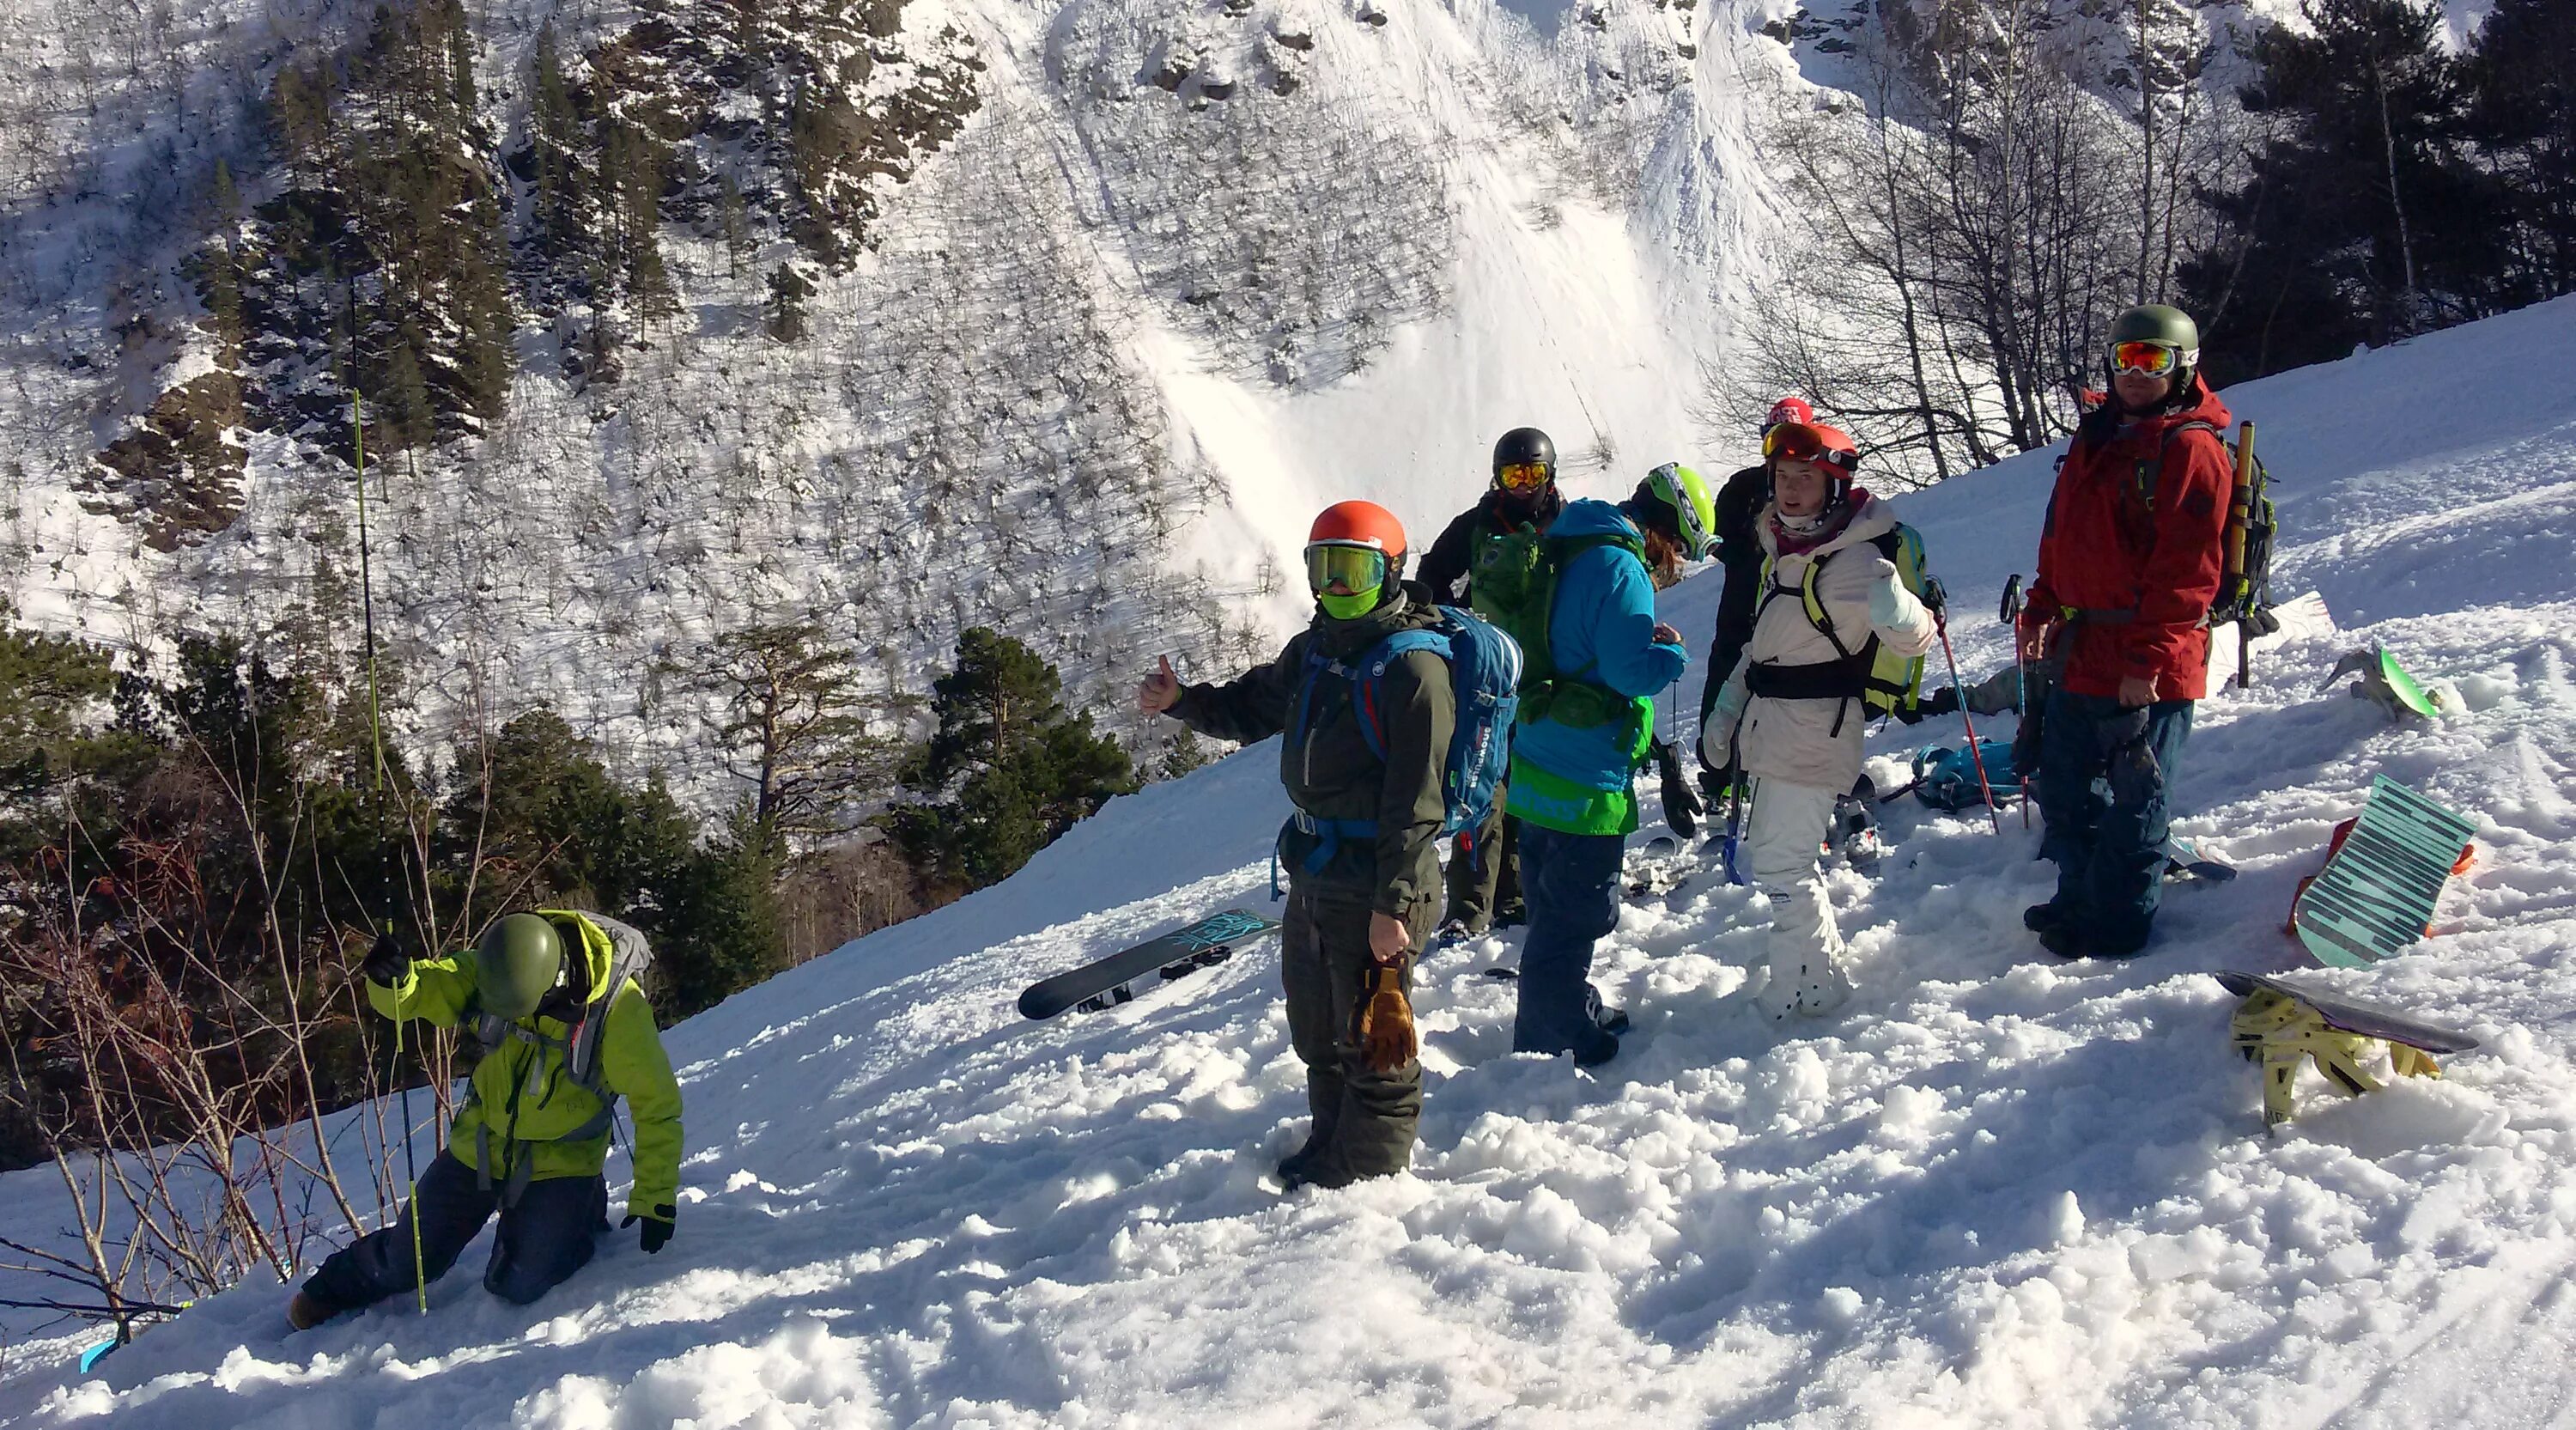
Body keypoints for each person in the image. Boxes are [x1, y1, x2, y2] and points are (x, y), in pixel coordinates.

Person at [1138, 501, 1453, 1189]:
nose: (1337, 587)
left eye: (1355, 571)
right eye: (1326, 569)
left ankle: (1367, 1178)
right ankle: (1331, 1142)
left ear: (1391, 571)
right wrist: (1183, 700)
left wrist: (1393, 904)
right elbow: (1255, 706)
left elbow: (1418, 803)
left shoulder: (1414, 672)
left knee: (1376, 1039)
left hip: (1379, 879)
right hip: (1316, 868)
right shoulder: (1317, 651)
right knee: (1318, 1030)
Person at [289, 910, 683, 1328]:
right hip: (479, 1145)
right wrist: (394, 981)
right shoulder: (498, 966)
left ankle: (580, 1210)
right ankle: (329, 1288)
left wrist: (654, 1196)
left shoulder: (619, 1010)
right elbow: (425, 988)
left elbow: (656, 1104)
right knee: (407, 1264)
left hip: (561, 1164)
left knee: (519, 1283)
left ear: (559, 984)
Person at [2015, 304, 2233, 959]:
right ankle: (2079, 897)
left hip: (2149, 657)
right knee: (2067, 784)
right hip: (2084, 649)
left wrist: (2150, 661)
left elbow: (2187, 574)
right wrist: (2042, 606)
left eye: (2154, 360)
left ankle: (2118, 923)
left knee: (2136, 797)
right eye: (2126, 359)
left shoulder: (2190, 449)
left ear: (2183, 366)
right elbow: (2065, 541)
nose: (2137, 374)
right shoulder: (2098, 436)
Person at [1699, 422, 1935, 1018]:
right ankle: (1820, 977)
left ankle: (1799, 986)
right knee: (1782, 858)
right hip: (1776, 727)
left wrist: (1899, 608)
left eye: (1806, 477)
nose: (1791, 489)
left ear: (1833, 484)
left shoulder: (1854, 559)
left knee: (1782, 861)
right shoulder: (1788, 550)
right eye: (1783, 477)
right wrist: (1726, 712)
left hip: (1815, 730)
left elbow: (1917, 637)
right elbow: (1762, 647)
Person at [1499, 465, 1710, 1066]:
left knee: (1550, 905)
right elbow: (1625, 672)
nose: (1674, 569)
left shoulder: (1571, 538)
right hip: (1583, 771)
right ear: (1667, 531)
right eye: (1680, 554)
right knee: (1579, 911)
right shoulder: (1621, 565)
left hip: (1538, 753)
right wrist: (1669, 654)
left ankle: (1565, 1000)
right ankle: (1552, 1040)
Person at [1414, 427, 1565, 937]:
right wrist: (1461, 627)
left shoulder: (1567, 526)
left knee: (1533, 786)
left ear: (1550, 475)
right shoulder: (1477, 526)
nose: (1523, 488)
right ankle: (1470, 908)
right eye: (1512, 475)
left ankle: (1521, 892)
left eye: (1532, 475)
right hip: (1489, 680)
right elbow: (1428, 581)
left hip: (1548, 673)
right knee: (1482, 790)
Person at [1698, 398, 1816, 806]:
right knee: (1724, 686)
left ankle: (1780, 774)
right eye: (1774, 439)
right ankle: (1719, 777)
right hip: (1741, 606)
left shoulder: (1819, 487)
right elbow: (1719, 540)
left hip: (1793, 609)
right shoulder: (1743, 487)